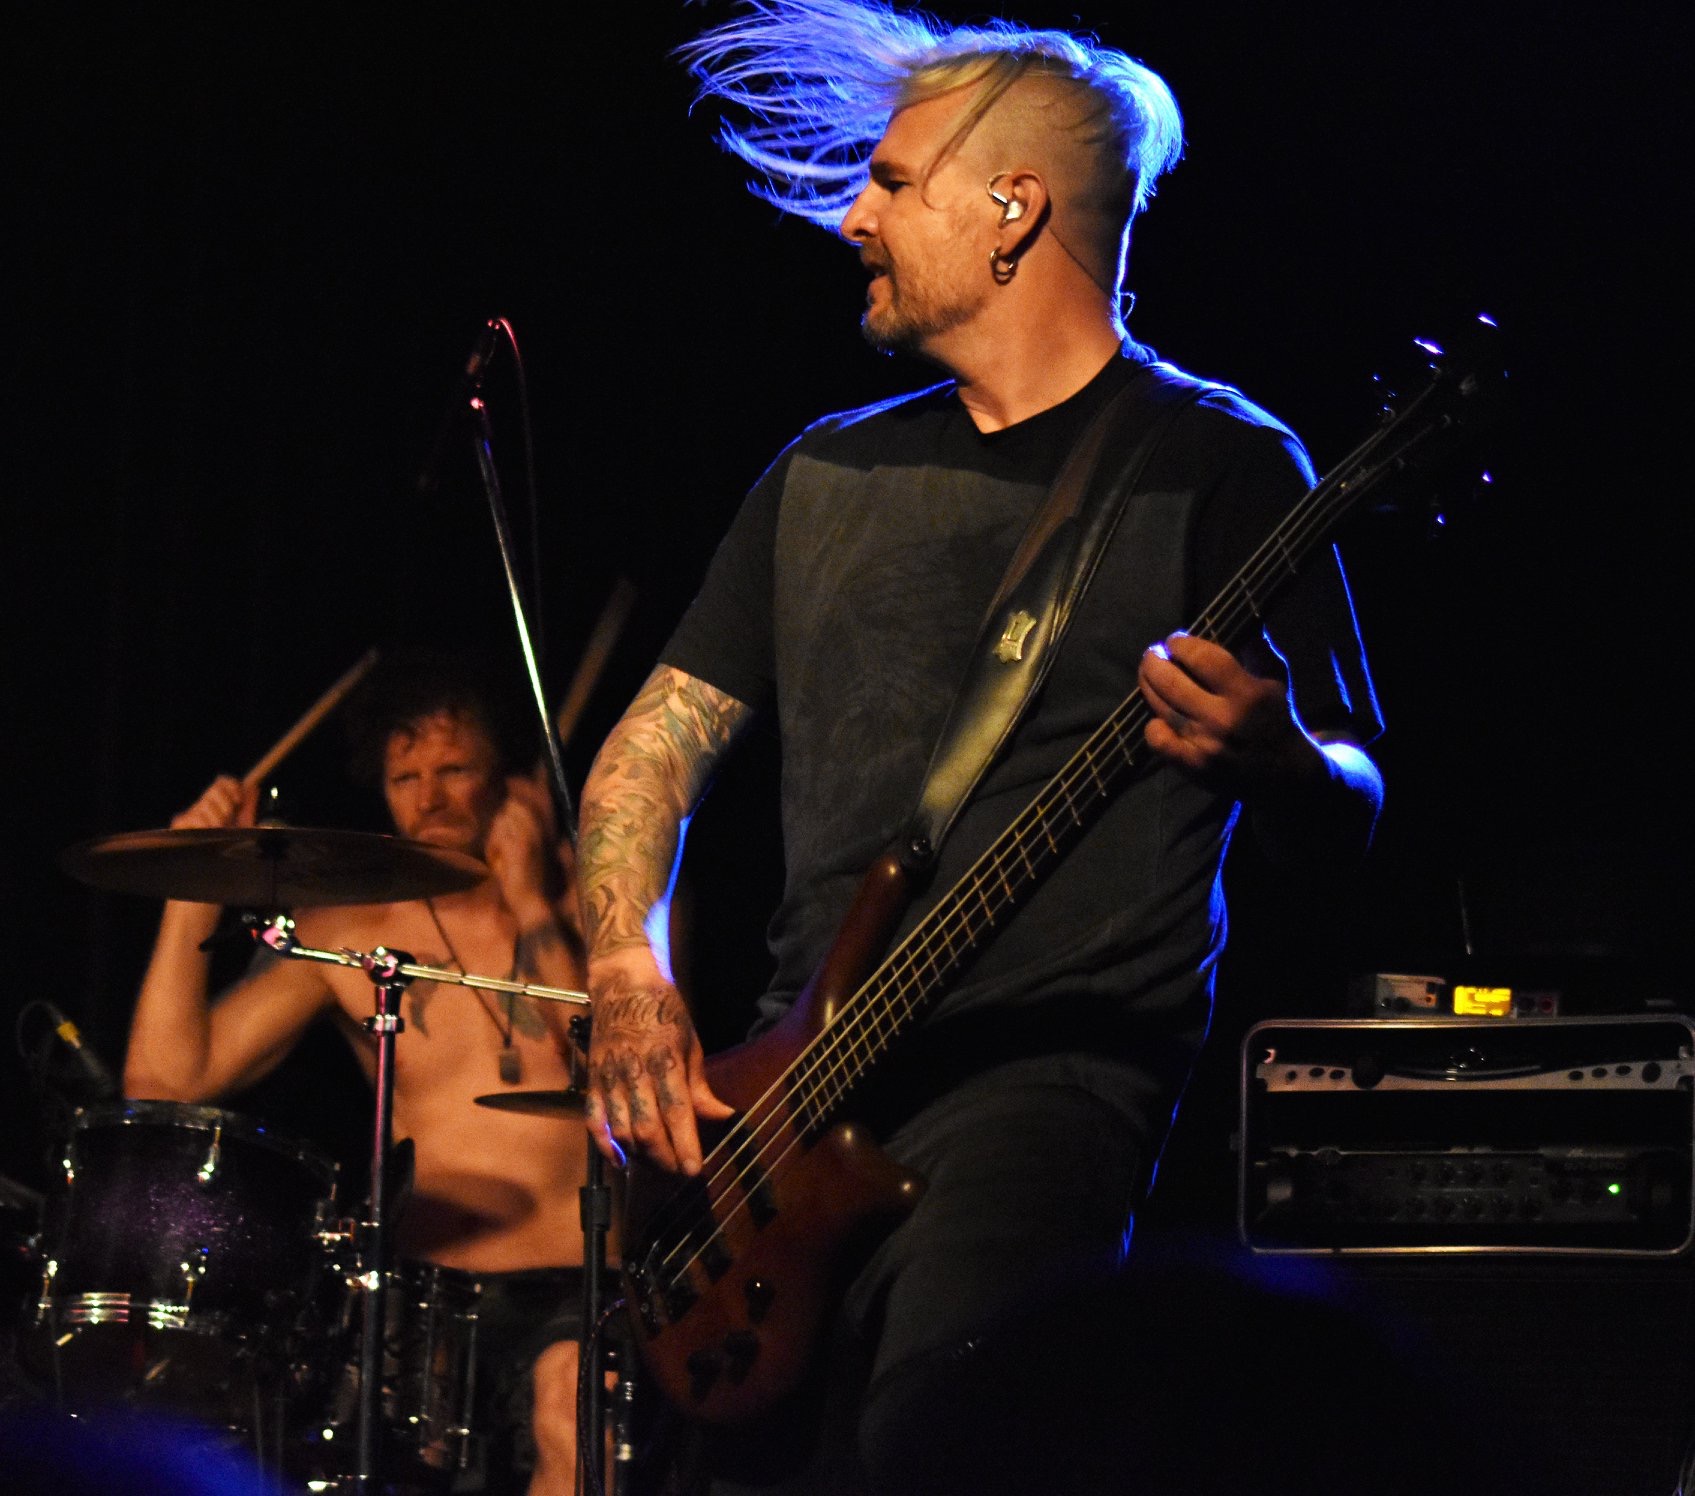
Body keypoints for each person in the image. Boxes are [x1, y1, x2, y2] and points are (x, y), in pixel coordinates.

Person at [576, 5, 1385, 1492]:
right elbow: (656, 744)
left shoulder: (1216, 462)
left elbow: (1354, 792)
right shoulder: (822, 473)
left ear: (1013, 207)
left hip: (1047, 1071)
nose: (853, 218)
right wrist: (626, 959)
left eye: (892, 183)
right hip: (797, 1077)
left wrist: (1278, 757)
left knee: (941, 1439)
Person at [122, 647, 593, 1495]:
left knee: (572, 1414)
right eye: (405, 777)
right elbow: (167, 1082)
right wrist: (194, 883)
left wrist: (531, 902)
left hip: (581, 1287)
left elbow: (612, 1067)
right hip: (424, 1294)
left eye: (454, 769)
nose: (430, 797)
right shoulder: (351, 932)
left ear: (511, 776)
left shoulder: (596, 902)